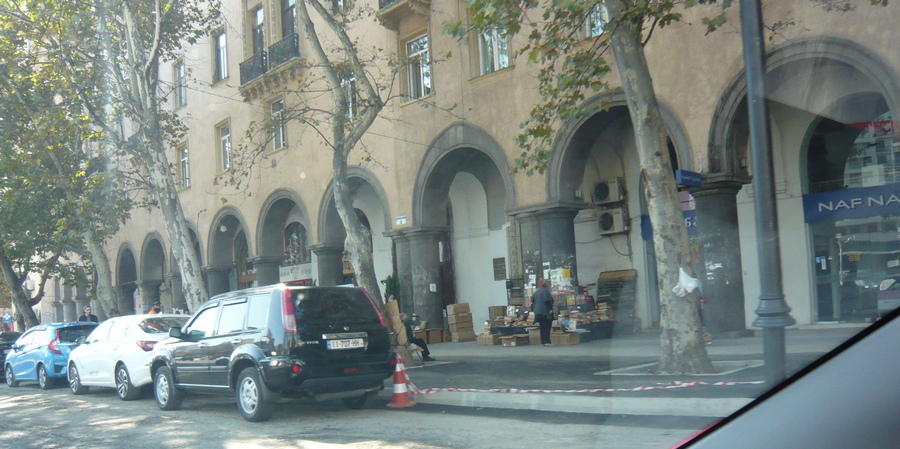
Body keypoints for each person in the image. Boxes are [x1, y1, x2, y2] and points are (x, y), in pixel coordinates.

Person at [531, 279, 555, 346]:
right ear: (548, 285)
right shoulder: (546, 291)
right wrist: (550, 309)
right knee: (547, 326)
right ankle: (547, 341)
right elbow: (548, 301)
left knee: (542, 327)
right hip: (545, 312)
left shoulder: (537, 291)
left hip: (537, 312)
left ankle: (543, 341)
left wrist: (534, 310)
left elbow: (532, 301)